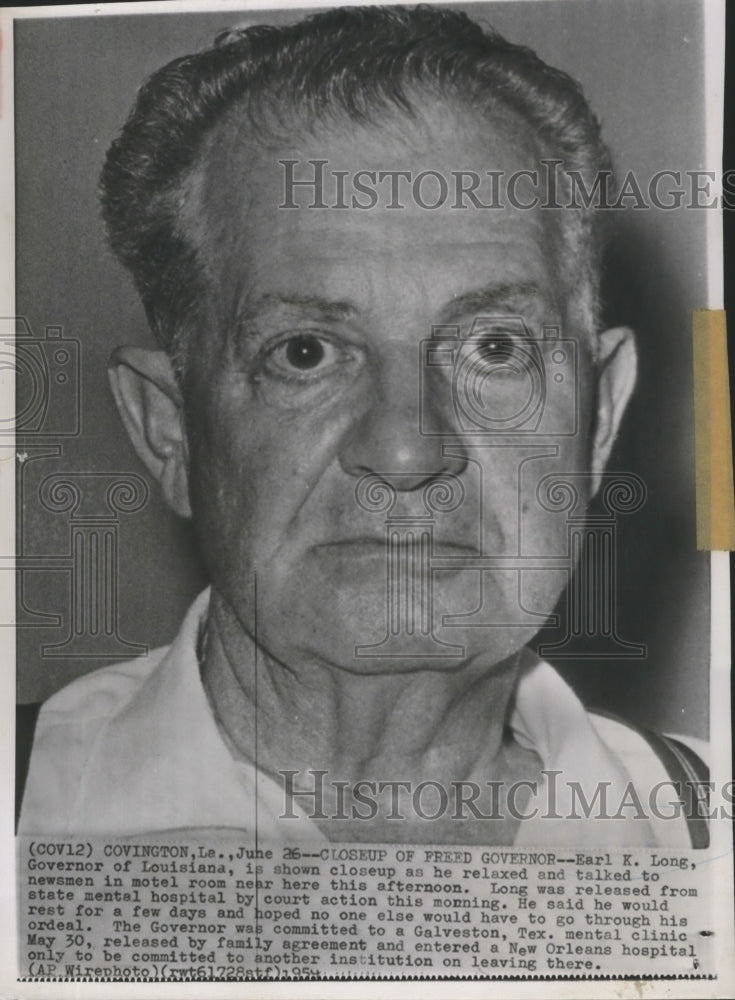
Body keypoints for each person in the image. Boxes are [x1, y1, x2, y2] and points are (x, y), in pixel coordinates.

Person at [18, 4, 707, 845]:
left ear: (596, 420)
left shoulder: (703, 833)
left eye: (493, 348)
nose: (408, 448)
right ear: (171, 430)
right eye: (305, 352)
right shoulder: (30, 810)